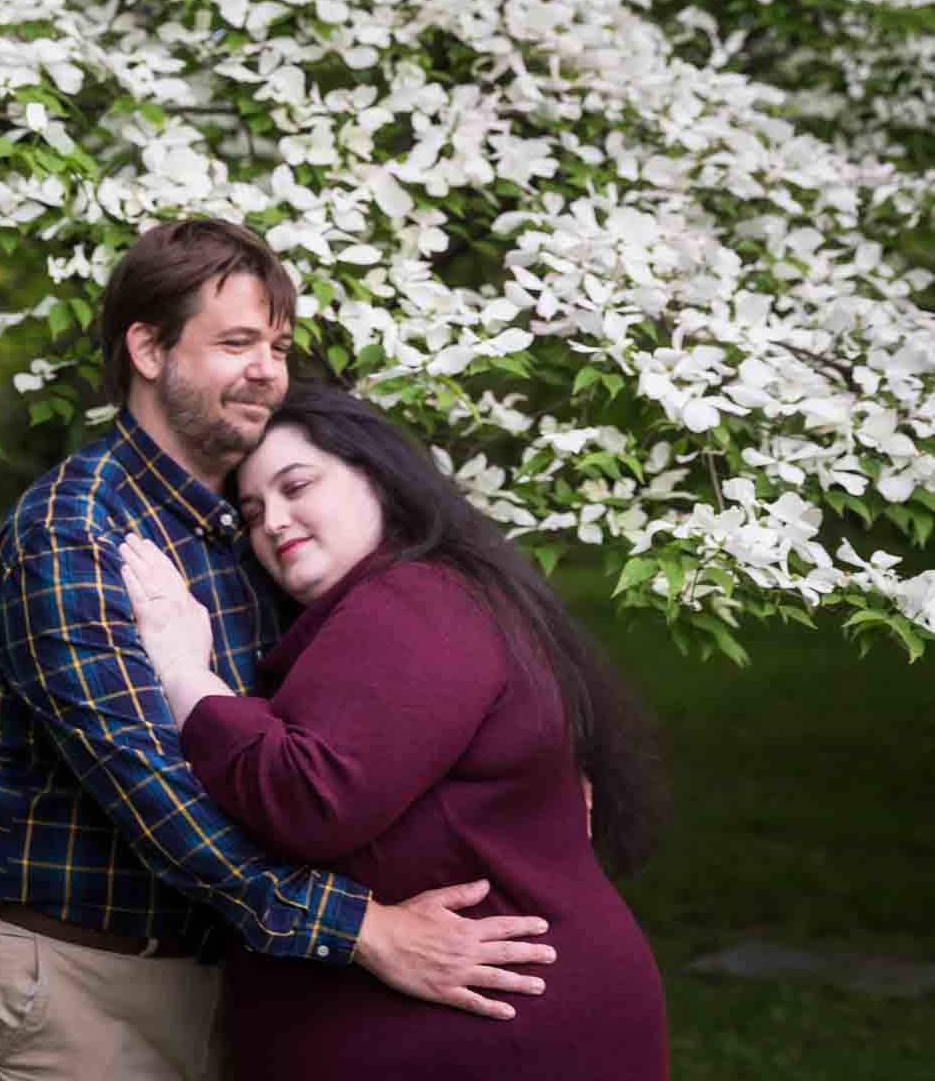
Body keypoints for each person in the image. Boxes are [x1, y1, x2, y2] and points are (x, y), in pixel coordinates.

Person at [0, 218, 557, 1081]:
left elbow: (357, 720)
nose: (268, 370)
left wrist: (540, 770)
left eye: (278, 345)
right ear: (147, 349)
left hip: (229, 958)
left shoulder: (257, 523)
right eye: (237, 342)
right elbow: (149, 786)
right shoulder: (75, 535)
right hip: (66, 967)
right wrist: (361, 928)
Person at [121, 382, 670, 1081]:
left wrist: (181, 672)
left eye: (297, 486)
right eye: (253, 510)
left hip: (499, 1030)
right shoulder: (430, 595)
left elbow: (309, 799)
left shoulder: (411, 601)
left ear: (375, 476)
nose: (273, 521)